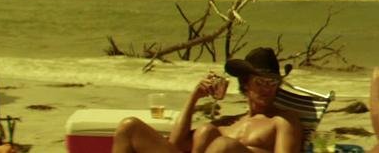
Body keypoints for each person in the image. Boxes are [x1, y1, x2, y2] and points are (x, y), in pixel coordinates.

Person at [112, 47, 303, 153]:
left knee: (224, 145)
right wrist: (194, 97)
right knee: (129, 127)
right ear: (246, 83)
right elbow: (175, 144)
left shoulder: (282, 121)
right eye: (260, 82)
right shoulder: (227, 123)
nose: (267, 89)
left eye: (273, 83)